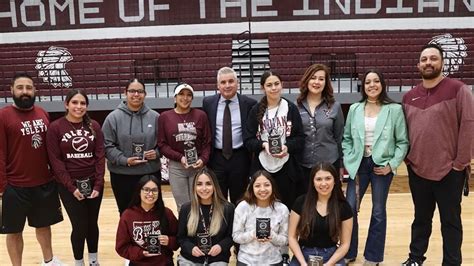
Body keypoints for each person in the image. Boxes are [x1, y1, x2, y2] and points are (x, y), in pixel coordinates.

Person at [401, 44, 474, 266]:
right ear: (418, 65)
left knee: (450, 221)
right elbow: (403, 131)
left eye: (433, 58)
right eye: (424, 59)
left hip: (450, 171)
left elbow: (469, 125)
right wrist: (408, 160)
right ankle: (415, 259)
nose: (428, 63)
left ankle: (451, 262)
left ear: (442, 63)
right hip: (418, 170)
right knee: (421, 220)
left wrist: (460, 163)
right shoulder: (409, 96)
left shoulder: (458, 89)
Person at [342, 70, 409, 265]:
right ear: (363, 86)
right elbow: (346, 138)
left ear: (382, 84)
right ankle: (348, 251)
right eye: (368, 82)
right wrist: (348, 159)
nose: (372, 85)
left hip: (381, 165)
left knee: (378, 211)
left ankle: (373, 256)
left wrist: (392, 165)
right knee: (350, 208)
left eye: (376, 81)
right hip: (358, 164)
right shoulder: (355, 108)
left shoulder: (394, 109)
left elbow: (402, 142)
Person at [0, 72, 64, 266]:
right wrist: (3, 186)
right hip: (15, 186)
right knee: (13, 231)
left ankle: (49, 261)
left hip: (43, 182)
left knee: (44, 226)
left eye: (29, 87)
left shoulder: (43, 113)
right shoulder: (3, 116)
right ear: (11, 90)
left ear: (35, 90)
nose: (25, 91)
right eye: (20, 88)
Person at [46, 89, 106, 266]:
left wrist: (98, 184)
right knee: (79, 225)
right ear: (66, 104)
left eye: (82, 103)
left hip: (93, 184)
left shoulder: (94, 126)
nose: (79, 107)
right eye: (75, 102)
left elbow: (100, 156)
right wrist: (71, 188)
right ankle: (78, 262)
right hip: (68, 186)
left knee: (92, 223)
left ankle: (94, 261)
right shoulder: (56, 127)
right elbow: (55, 161)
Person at [244, 71, 305, 208]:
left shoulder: (290, 108)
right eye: (269, 85)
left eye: (277, 84)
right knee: (264, 207)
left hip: (286, 168)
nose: (274, 88)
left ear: (282, 85)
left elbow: (300, 138)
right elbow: (248, 141)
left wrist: (287, 147)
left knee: (286, 207)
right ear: (262, 88)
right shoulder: (255, 111)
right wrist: (263, 145)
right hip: (262, 167)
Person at [102, 78, 161, 215]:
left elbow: (164, 144)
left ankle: (151, 237)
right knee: (126, 212)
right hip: (122, 175)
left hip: (149, 173)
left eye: (140, 91)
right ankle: (127, 237)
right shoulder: (113, 118)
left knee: (153, 211)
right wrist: (124, 160)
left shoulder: (155, 117)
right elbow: (107, 146)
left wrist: (157, 153)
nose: (136, 94)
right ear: (125, 93)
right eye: (132, 91)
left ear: (145, 94)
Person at [202, 67, 257, 204]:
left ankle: (237, 225)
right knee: (217, 199)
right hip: (216, 158)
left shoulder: (249, 104)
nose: (227, 85)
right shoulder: (208, 103)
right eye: (223, 82)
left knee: (240, 200)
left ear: (237, 83)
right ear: (218, 85)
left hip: (240, 157)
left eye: (231, 81)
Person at [157, 83, 211, 210]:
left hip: (198, 166)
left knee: (201, 203)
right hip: (177, 167)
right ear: (174, 97)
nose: (185, 98)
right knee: (183, 206)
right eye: (181, 94)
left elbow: (207, 142)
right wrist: (180, 157)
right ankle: (186, 230)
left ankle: (201, 230)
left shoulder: (201, 115)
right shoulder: (165, 117)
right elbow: (162, 145)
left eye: (189, 95)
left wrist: (203, 159)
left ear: (192, 98)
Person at [288, 162, 353, 266]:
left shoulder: (344, 207)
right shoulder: (300, 202)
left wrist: (328, 264)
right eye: (319, 179)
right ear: (313, 182)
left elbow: (345, 244)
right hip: (303, 254)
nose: (323, 183)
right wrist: (303, 263)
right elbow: (291, 237)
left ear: (335, 181)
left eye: (328, 178)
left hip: (332, 256)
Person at [296, 64, 344, 193]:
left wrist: (341, 166)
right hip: (304, 165)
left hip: (329, 163)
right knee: (305, 204)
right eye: (313, 78)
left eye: (321, 79)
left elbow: (339, 137)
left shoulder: (335, 106)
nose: (317, 82)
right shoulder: (296, 106)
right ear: (307, 80)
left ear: (326, 83)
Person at [116, 175, 178, 266]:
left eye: (154, 190)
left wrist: (169, 241)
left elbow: (180, 239)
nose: (150, 194)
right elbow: (121, 247)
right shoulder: (128, 215)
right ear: (139, 192)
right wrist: (141, 253)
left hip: (163, 263)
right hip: (138, 262)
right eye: (146, 189)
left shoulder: (167, 213)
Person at [177, 167, 235, 265]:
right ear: (194, 187)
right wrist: (190, 248)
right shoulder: (186, 208)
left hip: (217, 258)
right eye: (199, 184)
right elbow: (181, 238)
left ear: (215, 186)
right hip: (190, 259)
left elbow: (232, 236)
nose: (204, 188)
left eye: (208, 184)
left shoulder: (228, 208)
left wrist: (221, 246)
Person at [233, 170, 289, 265]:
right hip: (246, 261)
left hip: (273, 261)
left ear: (273, 187)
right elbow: (236, 236)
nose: (262, 189)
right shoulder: (243, 207)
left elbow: (285, 239)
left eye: (267, 185)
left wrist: (273, 236)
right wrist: (252, 234)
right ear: (252, 188)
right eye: (257, 185)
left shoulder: (282, 209)